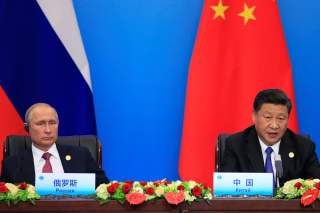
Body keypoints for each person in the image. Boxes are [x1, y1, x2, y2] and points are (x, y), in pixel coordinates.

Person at [220, 89, 320, 186]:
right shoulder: (236, 145)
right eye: (268, 117)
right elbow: (226, 189)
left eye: (281, 118)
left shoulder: (304, 147)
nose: (274, 125)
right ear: (254, 116)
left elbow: (316, 187)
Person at [1, 103, 109, 187]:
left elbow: (104, 188)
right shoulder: (12, 164)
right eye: (40, 123)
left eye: (52, 123)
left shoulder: (81, 155)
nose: (48, 130)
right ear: (27, 127)